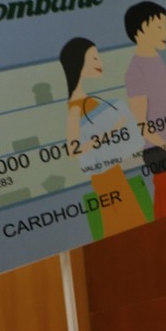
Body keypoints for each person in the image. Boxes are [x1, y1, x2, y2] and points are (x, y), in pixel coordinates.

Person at [59, 37, 148, 237]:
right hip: (102, 176)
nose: (100, 63)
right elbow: (73, 151)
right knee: (121, 222)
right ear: (79, 62)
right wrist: (109, 133)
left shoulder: (89, 99)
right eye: (94, 58)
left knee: (131, 220)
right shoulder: (75, 108)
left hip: (113, 169)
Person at [123, 1, 166, 174]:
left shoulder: (157, 59)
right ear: (141, 29)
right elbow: (141, 123)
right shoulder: (136, 71)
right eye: (158, 28)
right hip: (158, 150)